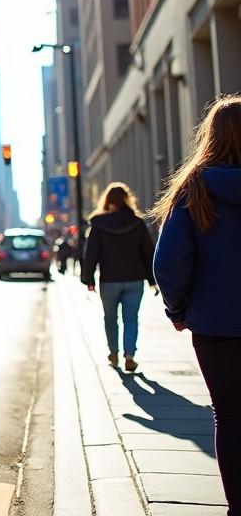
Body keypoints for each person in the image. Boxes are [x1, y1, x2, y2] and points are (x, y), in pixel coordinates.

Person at [151, 94, 241, 516]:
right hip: (214, 322)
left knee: (229, 413)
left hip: (215, 324)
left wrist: (178, 310)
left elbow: (168, 263)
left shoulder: (195, 188)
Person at [81, 182, 157, 373]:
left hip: (109, 280)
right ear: (126, 200)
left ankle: (113, 353)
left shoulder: (98, 224)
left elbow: (91, 254)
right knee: (131, 319)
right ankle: (130, 356)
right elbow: (148, 253)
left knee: (110, 318)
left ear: (107, 200)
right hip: (134, 279)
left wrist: (88, 279)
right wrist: (152, 280)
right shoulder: (137, 223)